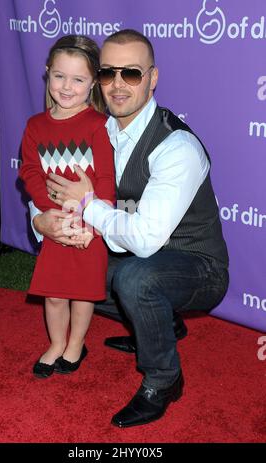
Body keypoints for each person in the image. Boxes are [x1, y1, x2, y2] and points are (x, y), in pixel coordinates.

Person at [31, 29, 229, 427]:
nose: (118, 85)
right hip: (134, 253)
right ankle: (158, 323)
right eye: (107, 73)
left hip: (195, 264)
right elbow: (51, 185)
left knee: (136, 280)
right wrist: (41, 223)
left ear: (152, 79)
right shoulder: (96, 129)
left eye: (132, 74)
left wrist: (88, 203)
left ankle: (164, 379)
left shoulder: (176, 147)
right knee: (65, 270)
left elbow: (142, 240)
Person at [19, 35, 115, 379]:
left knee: (82, 294)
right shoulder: (35, 126)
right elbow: (29, 171)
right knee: (55, 294)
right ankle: (56, 343)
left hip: (88, 228)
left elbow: (106, 178)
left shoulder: (99, 126)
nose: (67, 86)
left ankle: (76, 343)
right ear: (47, 74)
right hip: (56, 224)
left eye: (78, 79)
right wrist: (50, 215)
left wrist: (92, 225)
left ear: (92, 84)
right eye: (60, 76)